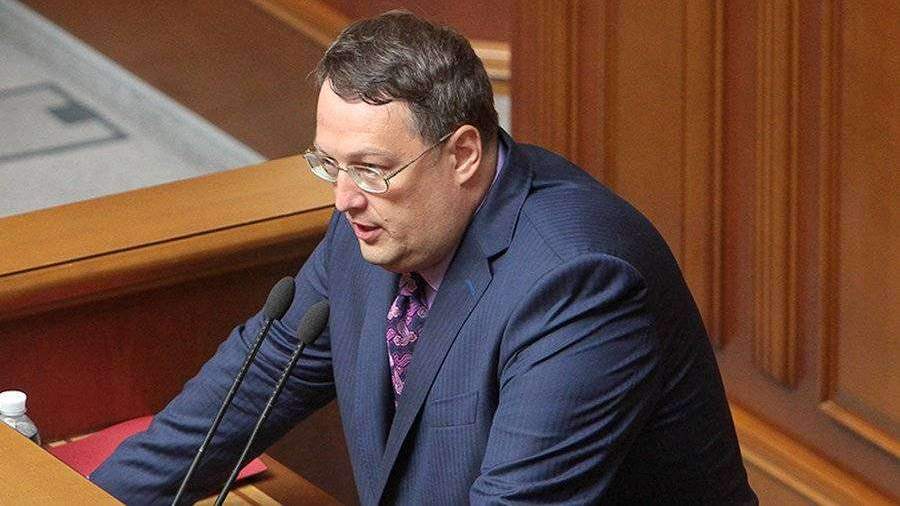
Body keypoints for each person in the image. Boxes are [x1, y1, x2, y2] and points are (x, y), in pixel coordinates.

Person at [91, 11, 757, 505]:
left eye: (371, 168)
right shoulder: (374, 224)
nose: (345, 198)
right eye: (330, 165)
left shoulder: (579, 283)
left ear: (463, 153)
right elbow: (250, 387)